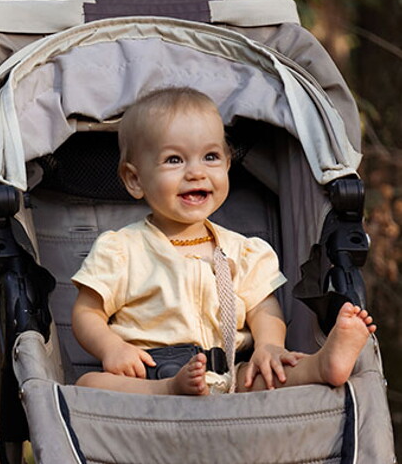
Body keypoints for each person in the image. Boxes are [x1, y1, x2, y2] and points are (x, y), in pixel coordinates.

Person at [70, 87, 376, 396]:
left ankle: (322, 366)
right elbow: (87, 313)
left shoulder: (243, 251)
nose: (196, 172)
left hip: (228, 375)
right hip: (146, 378)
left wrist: (269, 347)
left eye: (211, 157)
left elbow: (264, 310)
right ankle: (169, 389)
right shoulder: (122, 250)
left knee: (272, 374)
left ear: (228, 165)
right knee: (89, 384)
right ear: (135, 179)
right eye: (174, 159)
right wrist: (112, 348)